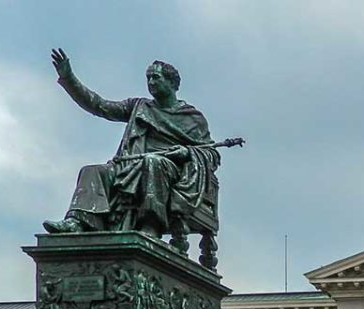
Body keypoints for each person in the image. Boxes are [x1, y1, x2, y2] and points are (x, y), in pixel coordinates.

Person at [41, 49, 239, 239]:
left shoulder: (192, 118)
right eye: (148, 78)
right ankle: (78, 221)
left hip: (169, 171)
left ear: (172, 83)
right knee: (92, 171)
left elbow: (211, 155)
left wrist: (187, 153)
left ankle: (150, 225)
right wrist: (69, 78)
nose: (151, 82)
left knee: (153, 162)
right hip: (130, 165)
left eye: (156, 78)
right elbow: (98, 105)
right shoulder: (138, 106)